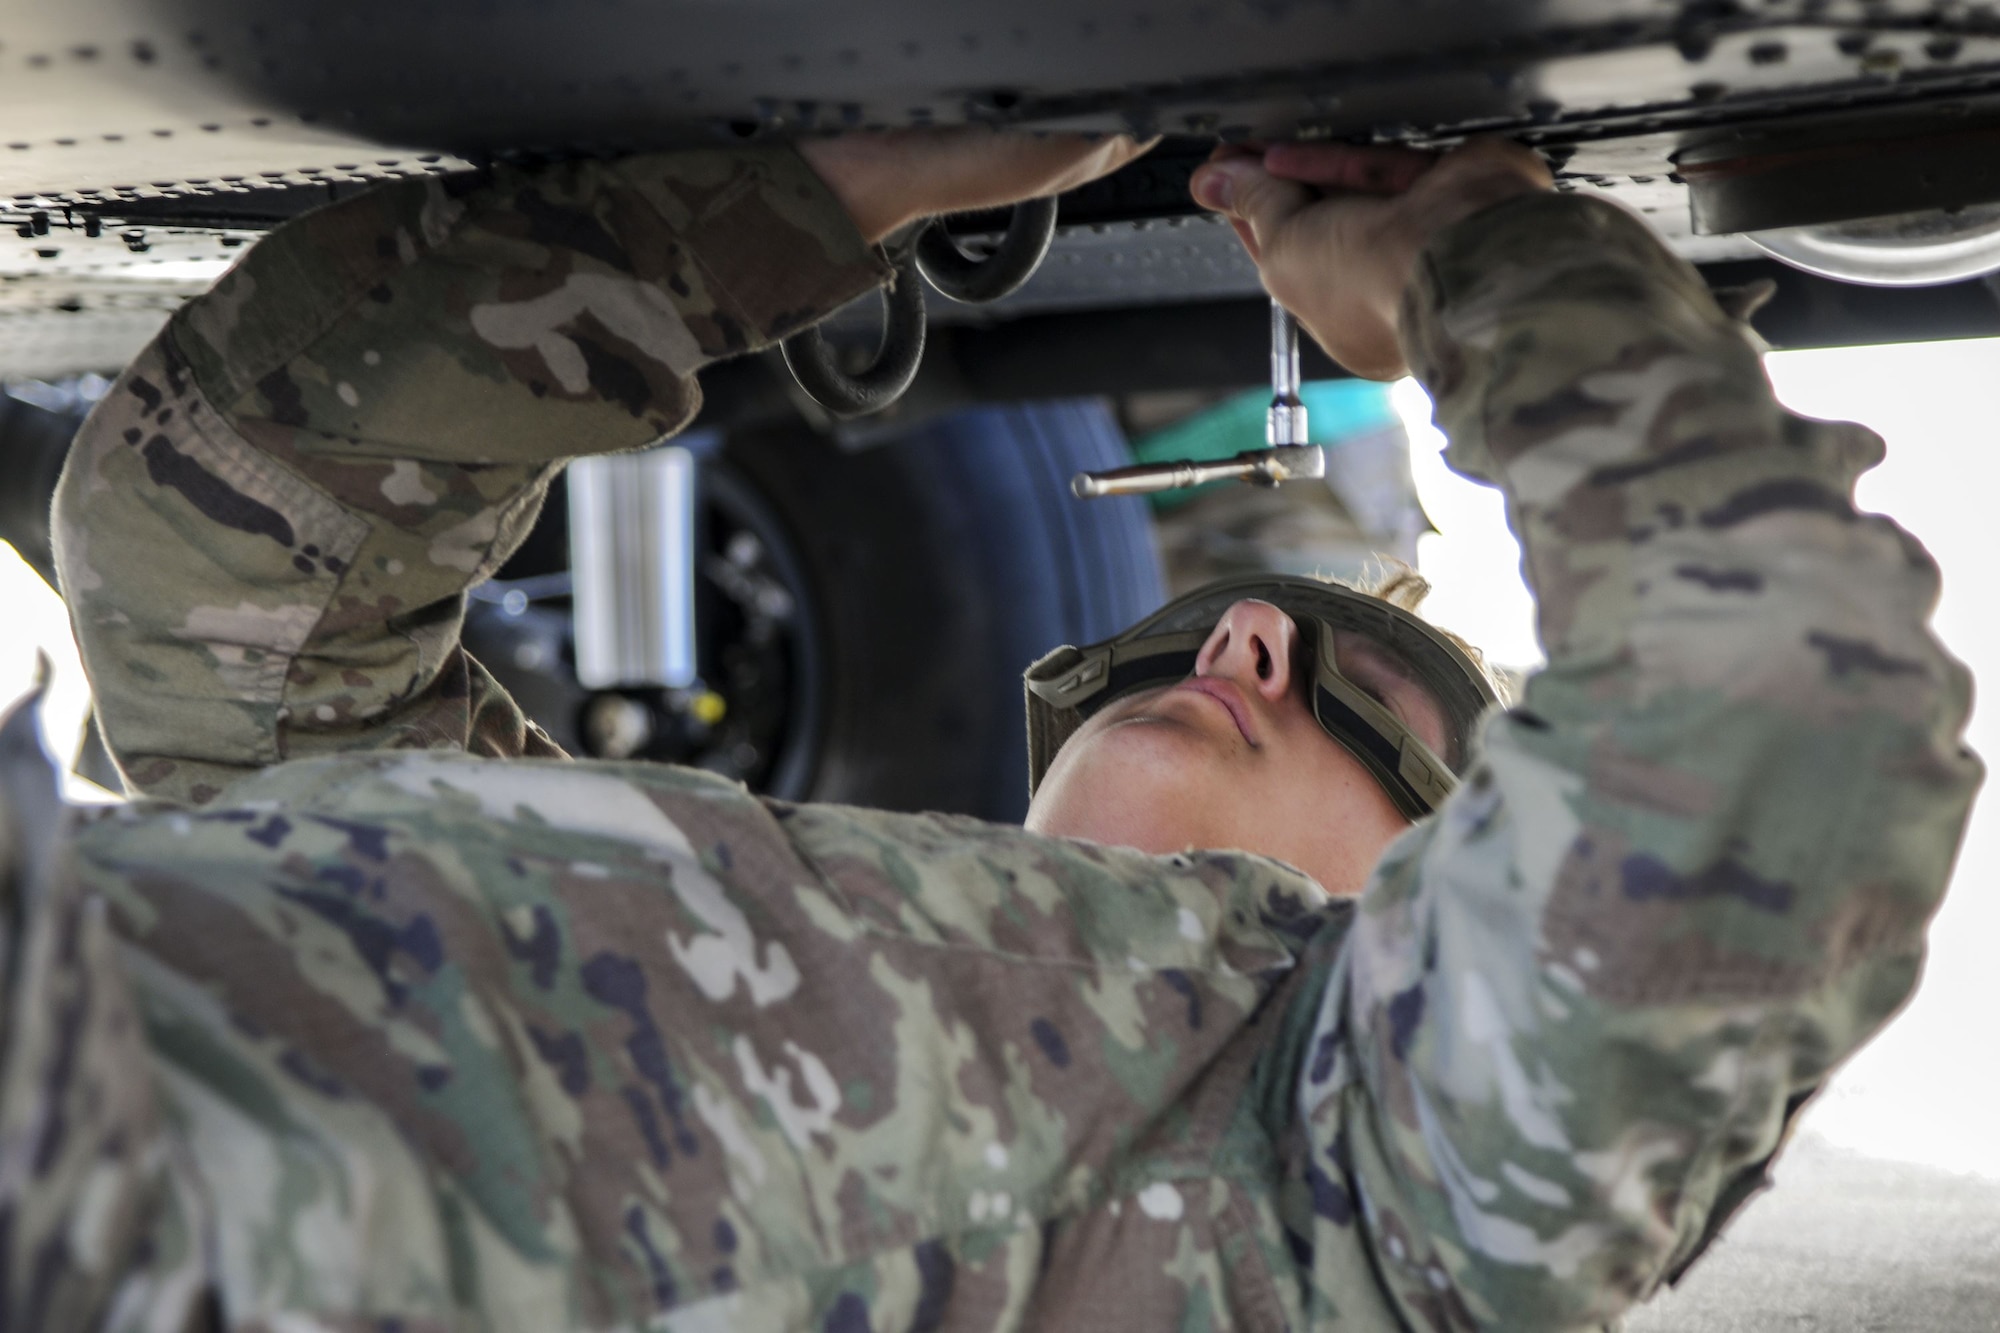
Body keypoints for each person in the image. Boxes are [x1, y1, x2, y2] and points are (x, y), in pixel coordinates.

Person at [1, 122, 1976, 1332]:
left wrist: (1475, 248)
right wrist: (787, 204)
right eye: (1183, 646)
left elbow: (1773, 688)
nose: (1249, 658)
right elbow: (219, 558)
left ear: (1472, 920)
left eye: (1382, 723)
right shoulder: (727, 904)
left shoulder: (1400, 1223)